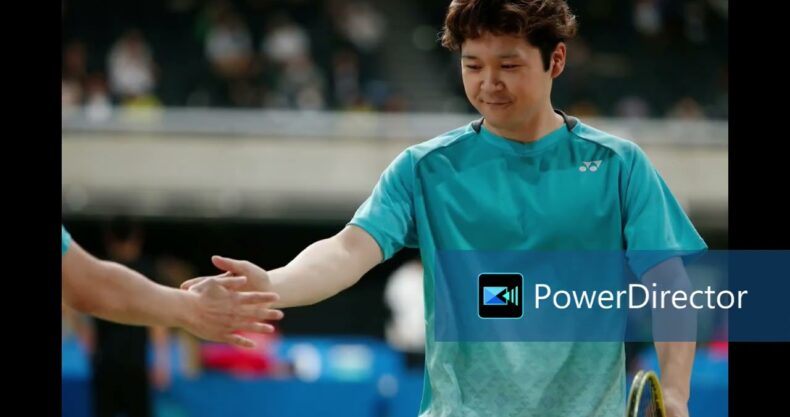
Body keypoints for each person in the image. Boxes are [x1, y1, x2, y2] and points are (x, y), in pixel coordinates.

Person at [182, 1, 705, 416]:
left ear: (556, 61)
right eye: (472, 65)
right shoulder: (425, 169)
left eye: (509, 65)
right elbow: (347, 250)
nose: (488, 83)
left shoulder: (617, 166)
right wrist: (270, 284)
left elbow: (670, 284)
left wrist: (677, 394)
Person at [62, 223, 284, 348]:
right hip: (108, 357)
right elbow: (90, 286)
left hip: (129, 357)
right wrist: (194, 307)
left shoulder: (144, 269)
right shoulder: (133, 272)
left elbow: (91, 286)